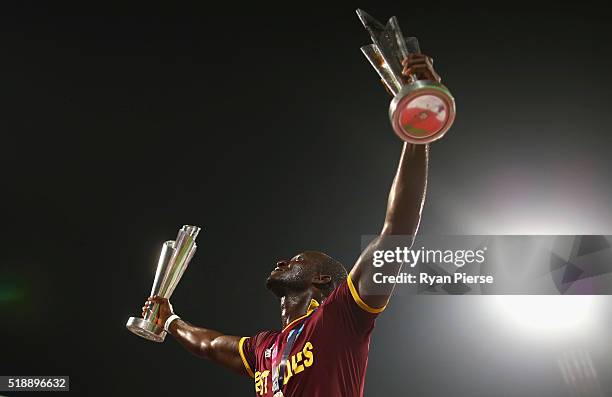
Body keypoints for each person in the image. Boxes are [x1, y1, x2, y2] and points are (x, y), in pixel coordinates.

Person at [142, 53, 439, 396]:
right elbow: (208, 345)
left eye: (298, 261)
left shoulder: (341, 316)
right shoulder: (264, 348)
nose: (283, 262)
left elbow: (398, 228)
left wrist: (418, 129)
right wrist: (171, 321)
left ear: (322, 278)